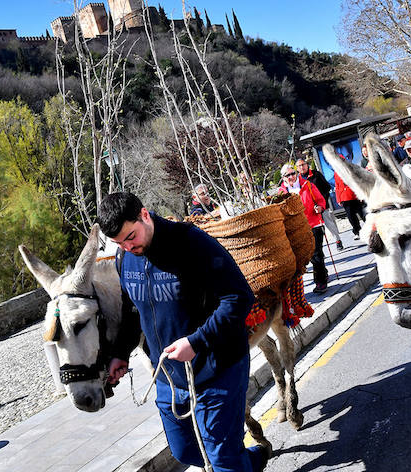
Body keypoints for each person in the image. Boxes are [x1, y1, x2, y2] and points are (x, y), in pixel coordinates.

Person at [99, 193, 268, 472]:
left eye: (131, 237)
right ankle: (250, 461)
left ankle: (237, 463)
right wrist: (120, 354)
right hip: (169, 378)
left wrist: (196, 341)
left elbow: (239, 297)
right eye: (119, 243)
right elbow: (133, 312)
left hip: (217, 369)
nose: (128, 247)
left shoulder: (191, 243)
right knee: (185, 450)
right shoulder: (124, 258)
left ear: (144, 215)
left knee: (223, 460)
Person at [278, 163, 329, 293]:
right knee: (306, 256)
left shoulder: (308, 185)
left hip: (313, 224)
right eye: (288, 175)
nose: (291, 177)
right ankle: (323, 272)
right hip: (296, 229)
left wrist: (320, 207)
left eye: (293, 173)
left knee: (316, 253)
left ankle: (321, 282)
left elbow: (321, 200)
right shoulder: (281, 193)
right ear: (283, 178)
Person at [295, 158, 343, 250]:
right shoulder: (298, 181)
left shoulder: (316, 174)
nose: (302, 167)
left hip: (322, 205)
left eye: (303, 164)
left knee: (330, 224)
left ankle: (338, 240)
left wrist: (322, 202)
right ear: (297, 168)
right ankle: (319, 249)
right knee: (315, 231)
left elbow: (327, 187)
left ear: (307, 165)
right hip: (309, 210)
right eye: (299, 166)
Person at [333, 170, 365, 240]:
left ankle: (373, 228)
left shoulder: (347, 167)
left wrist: (360, 193)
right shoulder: (336, 172)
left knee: (363, 214)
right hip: (345, 197)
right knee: (351, 217)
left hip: (354, 195)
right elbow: (337, 185)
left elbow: (357, 181)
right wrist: (338, 199)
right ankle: (357, 232)